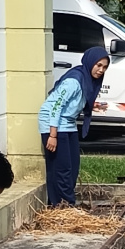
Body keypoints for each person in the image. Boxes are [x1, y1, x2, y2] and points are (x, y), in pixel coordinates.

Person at [38, 46, 110, 206]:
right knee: (62, 168)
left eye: (105, 67)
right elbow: (56, 106)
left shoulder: (87, 79)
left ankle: (58, 204)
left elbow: (74, 101)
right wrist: (53, 135)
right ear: (90, 62)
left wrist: (92, 105)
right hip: (53, 123)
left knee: (73, 167)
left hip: (68, 122)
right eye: (98, 65)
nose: (101, 70)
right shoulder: (74, 81)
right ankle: (66, 205)